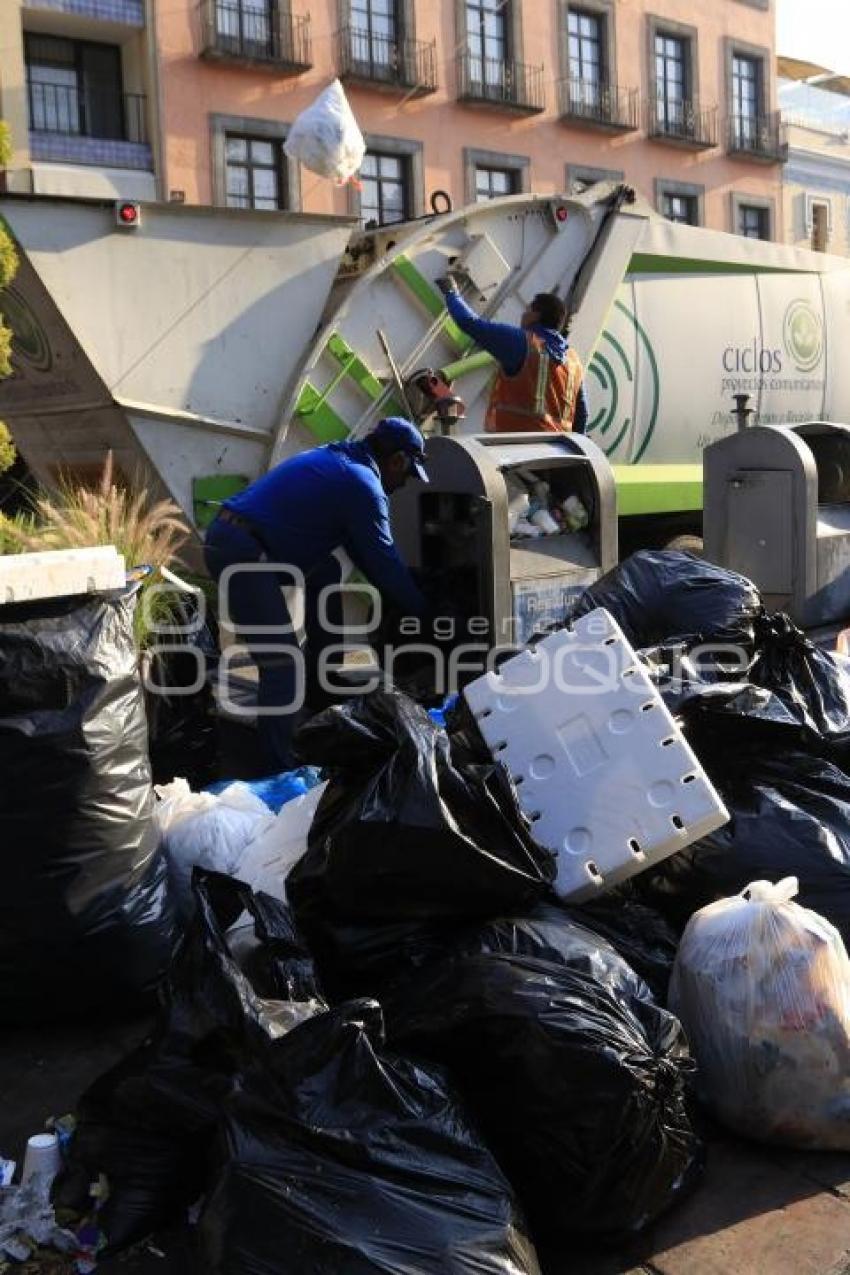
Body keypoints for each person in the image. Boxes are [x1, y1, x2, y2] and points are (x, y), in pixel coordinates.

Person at [204, 418, 429, 770]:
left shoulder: (343, 460)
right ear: (397, 460)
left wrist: (401, 596)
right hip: (244, 554)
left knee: (325, 573)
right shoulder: (363, 484)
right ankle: (278, 769)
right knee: (283, 663)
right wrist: (424, 611)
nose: (403, 484)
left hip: (241, 538)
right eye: (407, 473)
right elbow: (383, 562)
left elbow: (363, 552)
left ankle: (321, 684)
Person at [436, 277, 588, 434]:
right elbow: (581, 415)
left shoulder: (523, 343)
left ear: (535, 315)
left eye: (527, 310)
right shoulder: (573, 361)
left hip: (516, 446)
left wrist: (451, 292)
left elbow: (470, 323)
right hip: (555, 451)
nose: (523, 315)